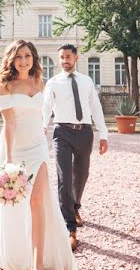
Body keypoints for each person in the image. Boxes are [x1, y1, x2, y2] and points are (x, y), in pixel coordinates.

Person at [0, 39, 76, 270]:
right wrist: (8, 161)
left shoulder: (39, 81)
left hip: (38, 147)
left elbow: (43, 114)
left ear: (33, 58)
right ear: (11, 59)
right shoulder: (4, 86)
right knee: (17, 207)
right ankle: (20, 256)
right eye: (18, 56)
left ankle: (38, 266)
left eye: (27, 55)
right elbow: (9, 124)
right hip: (15, 149)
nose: (23, 60)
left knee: (39, 202)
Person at [42, 44, 109, 251]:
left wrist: (103, 134)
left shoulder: (87, 81)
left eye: (68, 57)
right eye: (61, 57)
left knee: (81, 175)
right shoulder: (53, 83)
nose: (64, 61)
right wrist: (42, 126)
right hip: (62, 132)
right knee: (64, 177)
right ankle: (69, 227)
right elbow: (46, 107)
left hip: (85, 132)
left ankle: (75, 207)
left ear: (76, 58)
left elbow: (95, 108)